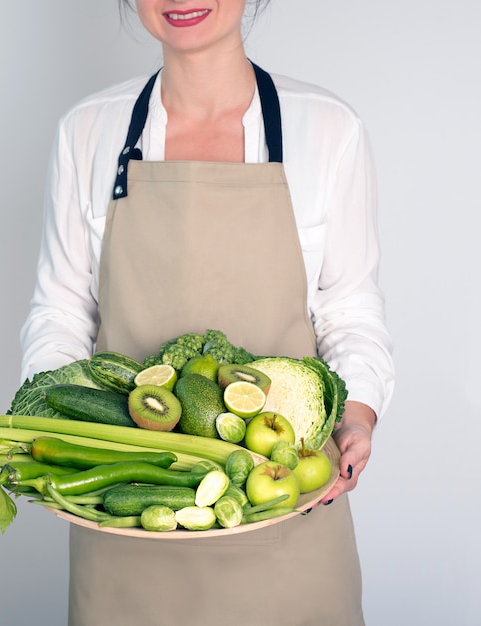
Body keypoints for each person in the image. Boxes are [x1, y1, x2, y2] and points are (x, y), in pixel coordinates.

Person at [20, 1, 395, 624]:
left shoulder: (327, 128)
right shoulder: (88, 131)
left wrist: (356, 417)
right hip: (126, 517)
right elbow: (61, 311)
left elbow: (350, 309)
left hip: (285, 515)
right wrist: (58, 422)